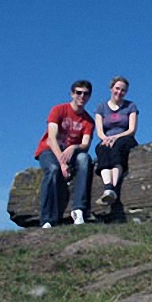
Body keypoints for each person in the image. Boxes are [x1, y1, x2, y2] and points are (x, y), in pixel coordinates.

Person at [34, 80, 94, 228]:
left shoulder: (88, 121)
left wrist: (73, 147)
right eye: (78, 92)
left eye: (85, 94)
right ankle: (48, 219)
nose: (82, 96)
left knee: (84, 158)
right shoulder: (58, 110)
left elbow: (85, 144)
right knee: (53, 170)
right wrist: (62, 163)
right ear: (72, 94)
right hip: (49, 150)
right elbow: (51, 138)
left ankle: (79, 209)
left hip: (71, 154)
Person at [94, 76, 138, 205]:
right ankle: (108, 188)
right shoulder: (101, 108)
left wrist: (116, 137)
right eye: (117, 88)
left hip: (126, 138)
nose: (119, 92)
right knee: (101, 148)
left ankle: (112, 187)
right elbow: (100, 131)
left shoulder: (131, 106)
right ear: (111, 89)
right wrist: (106, 139)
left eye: (123, 90)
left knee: (118, 147)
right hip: (107, 139)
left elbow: (132, 130)